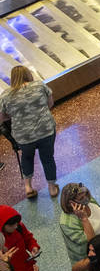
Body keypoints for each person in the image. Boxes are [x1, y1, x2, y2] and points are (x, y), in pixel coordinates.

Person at [0, 66, 56, 200]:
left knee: (27, 158)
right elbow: (50, 104)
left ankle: (28, 187)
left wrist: (15, 115)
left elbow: (1, 118)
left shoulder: (6, 95)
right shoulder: (39, 86)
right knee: (48, 158)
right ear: (28, 74)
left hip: (23, 136)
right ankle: (52, 188)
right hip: (46, 130)